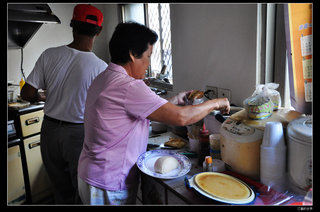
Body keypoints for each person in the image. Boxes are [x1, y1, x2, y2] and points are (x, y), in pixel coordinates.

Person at [77, 22, 230, 205]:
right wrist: (216, 103)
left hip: (93, 173)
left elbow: (145, 109)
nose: (149, 63)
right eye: (148, 56)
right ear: (133, 54)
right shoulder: (129, 86)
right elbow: (182, 117)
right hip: (109, 181)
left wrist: (177, 99)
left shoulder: (105, 77)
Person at [20, 4, 107, 204]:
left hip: (49, 130)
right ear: (99, 32)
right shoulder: (101, 68)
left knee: (59, 188)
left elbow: (27, 92)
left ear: (71, 25)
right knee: (82, 190)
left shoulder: (49, 54)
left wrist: (40, 97)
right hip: (78, 134)